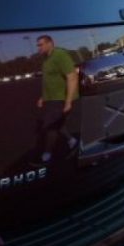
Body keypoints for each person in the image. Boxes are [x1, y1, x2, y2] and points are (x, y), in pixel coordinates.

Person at [36, 35, 78, 164]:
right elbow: (49, 80)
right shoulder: (46, 59)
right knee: (58, 123)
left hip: (61, 98)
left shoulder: (60, 55)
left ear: (50, 43)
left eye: (41, 44)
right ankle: (72, 141)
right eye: (38, 45)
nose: (39, 47)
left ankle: (47, 154)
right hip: (51, 98)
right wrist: (43, 97)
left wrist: (68, 101)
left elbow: (72, 77)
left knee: (51, 126)